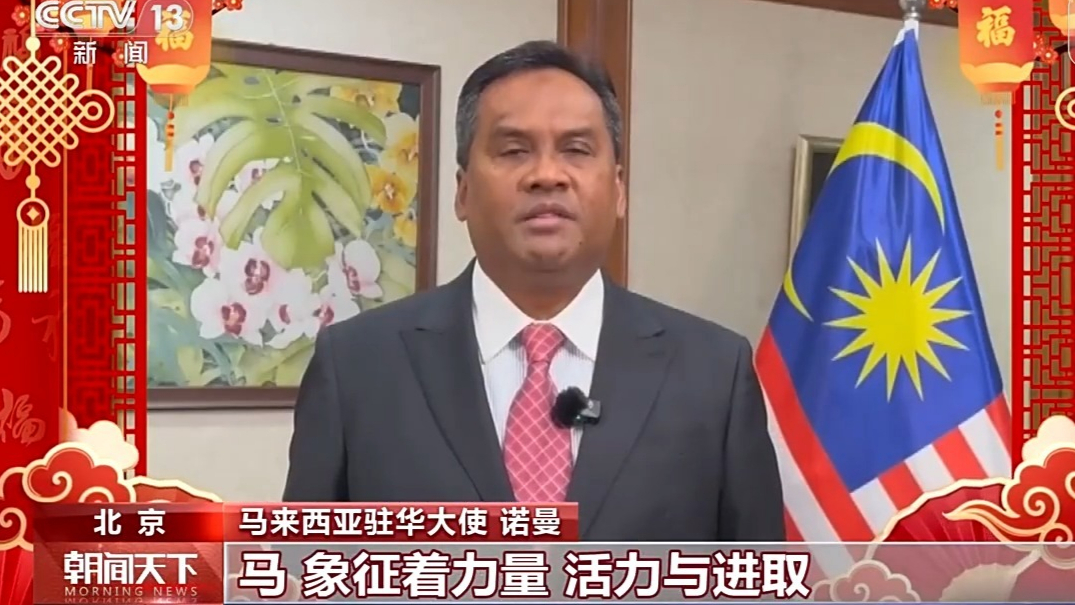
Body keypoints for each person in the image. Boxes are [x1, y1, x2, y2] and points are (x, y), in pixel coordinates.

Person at [284, 40, 785, 541]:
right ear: (462, 190)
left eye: (576, 150)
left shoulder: (714, 373)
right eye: (514, 151)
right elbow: (301, 571)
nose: (547, 175)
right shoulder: (356, 366)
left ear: (618, 190)